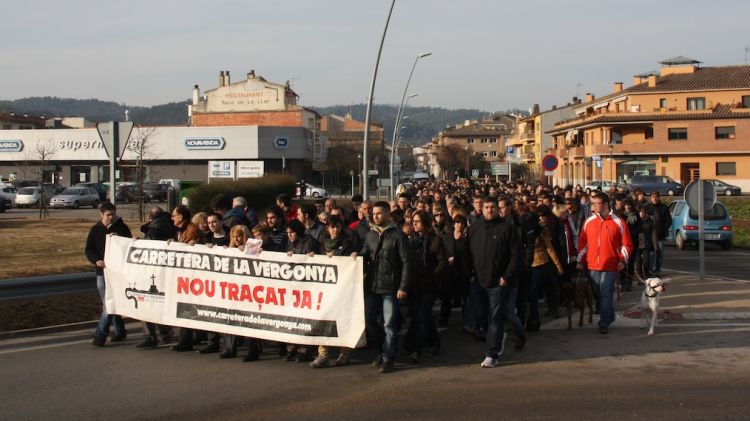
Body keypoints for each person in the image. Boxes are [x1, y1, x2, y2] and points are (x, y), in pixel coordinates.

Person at [467, 197, 524, 368]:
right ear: (481, 209)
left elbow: (516, 255)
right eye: (486, 207)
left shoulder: (507, 228)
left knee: (496, 318)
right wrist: (469, 274)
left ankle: (492, 353)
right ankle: (500, 337)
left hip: (498, 283)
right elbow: (467, 251)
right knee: (480, 316)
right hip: (477, 280)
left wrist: (506, 276)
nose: (490, 210)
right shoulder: (475, 228)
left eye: (493, 207)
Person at [360, 201, 413, 373]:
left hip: (391, 287)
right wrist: (354, 257)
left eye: (379, 213)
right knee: (370, 321)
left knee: (389, 324)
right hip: (372, 286)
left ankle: (389, 358)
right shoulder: (370, 235)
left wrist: (403, 286)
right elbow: (364, 256)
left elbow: (406, 262)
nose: (374, 216)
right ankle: (382, 350)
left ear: (388, 214)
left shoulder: (398, 235)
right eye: (373, 213)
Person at [577, 192, 634, 334]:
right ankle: (610, 315)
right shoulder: (589, 222)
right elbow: (582, 243)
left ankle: (604, 322)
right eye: (593, 203)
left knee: (606, 292)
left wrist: (622, 260)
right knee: (598, 294)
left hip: (610, 265)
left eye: (597, 203)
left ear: (606, 204)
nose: (594, 206)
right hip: (592, 265)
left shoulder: (619, 222)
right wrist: (580, 260)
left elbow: (627, 244)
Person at [310, 215, 358, 368]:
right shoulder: (321, 244)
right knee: (323, 320)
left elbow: (353, 263)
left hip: (343, 290)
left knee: (343, 321)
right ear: (327, 228)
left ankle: (345, 353)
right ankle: (323, 354)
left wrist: (353, 257)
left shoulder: (348, 244)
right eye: (332, 226)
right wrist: (312, 257)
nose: (335, 229)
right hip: (325, 291)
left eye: (337, 226)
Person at [404, 210, 448, 363]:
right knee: (423, 315)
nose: (414, 224)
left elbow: (443, 262)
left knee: (422, 314)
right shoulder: (413, 240)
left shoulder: (435, 240)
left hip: (430, 284)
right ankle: (434, 343)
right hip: (415, 284)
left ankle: (416, 348)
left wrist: (431, 276)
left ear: (425, 223)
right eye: (413, 221)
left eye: (417, 221)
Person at [86, 202, 132, 347]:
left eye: (113, 214)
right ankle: (120, 330)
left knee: (109, 304)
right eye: (108, 215)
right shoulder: (96, 229)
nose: (111, 217)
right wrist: (96, 260)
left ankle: (100, 335)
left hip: (116, 273)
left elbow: (128, 245)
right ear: (101, 215)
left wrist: (118, 239)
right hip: (102, 273)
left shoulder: (121, 228)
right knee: (110, 302)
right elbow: (89, 249)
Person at [218, 225, 264, 362]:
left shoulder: (253, 244)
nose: (236, 239)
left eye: (238, 236)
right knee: (230, 317)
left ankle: (253, 351)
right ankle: (229, 348)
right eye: (233, 236)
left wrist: (246, 251)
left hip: (250, 290)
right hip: (234, 289)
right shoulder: (231, 248)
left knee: (251, 321)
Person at [135, 207, 177, 349]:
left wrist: (137, 244)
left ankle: (150, 336)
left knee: (147, 302)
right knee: (160, 303)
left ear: (150, 218)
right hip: (165, 272)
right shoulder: (170, 227)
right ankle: (166, 332)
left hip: (152, 271)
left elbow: (148, 251)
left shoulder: (153, 231)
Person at [284, 219, 320, 362]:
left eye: (292, 232)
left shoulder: (309, 242)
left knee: (305, 319)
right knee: (293, 318)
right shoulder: (290, 243)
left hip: (306, 286)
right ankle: (292, 347)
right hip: (293, 286)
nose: (290, 235)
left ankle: (305, 350)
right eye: (287, 233)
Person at [527, 205, 565, 329]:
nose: (542, 218)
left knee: (551, 287)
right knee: (534, 292)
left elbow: (551, 247)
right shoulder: (532, 228)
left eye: (544, 216)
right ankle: (536, 317)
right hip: (532, 263)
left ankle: (552, 309)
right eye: (539, 216)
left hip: (545, 261)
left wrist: (559, 264)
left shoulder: (552, 225)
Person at [170, 205, 201, 351]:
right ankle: (191, 337)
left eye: (174, 215)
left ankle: (185, 340)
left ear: (181, 217)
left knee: (186, 307)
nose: (172, 218)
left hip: (191, 276)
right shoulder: (179, 230)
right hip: (183, 275)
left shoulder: (191, 230)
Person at [439, 214, 470, 328]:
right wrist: (447, 259)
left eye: (461, 223)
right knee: (447, 296)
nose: (459, 225)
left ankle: (468, 320)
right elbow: (441, 252)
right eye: (457, 223)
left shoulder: (467, 238)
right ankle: (443, 318)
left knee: (465, 298)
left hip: (463, 272)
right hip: (450, 272)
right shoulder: (446, 237)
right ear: (453, 224)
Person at [646, 192, 671, 275]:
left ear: (659, 198)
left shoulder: (664, 208)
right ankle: (649, 269)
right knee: (650, 253)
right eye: (653, 197)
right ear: (650, 198)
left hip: (660, 235)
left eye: (656, 197)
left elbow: (669, 221)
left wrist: (663, 230)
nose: (654, 199)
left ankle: (657, 269)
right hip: (649, 236)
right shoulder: (648, 207)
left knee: (659, 253)